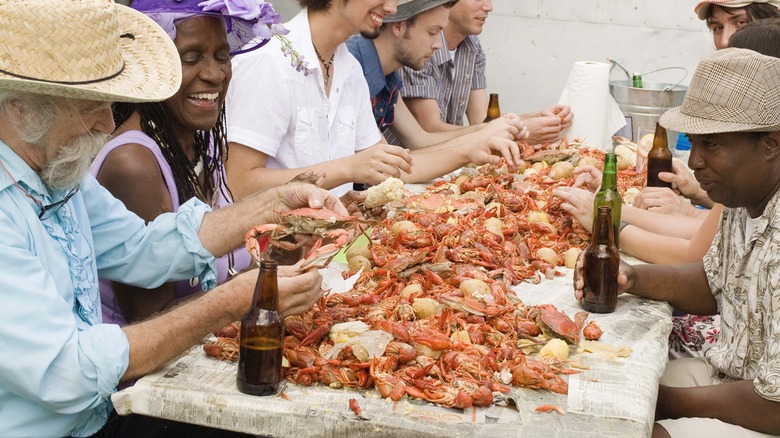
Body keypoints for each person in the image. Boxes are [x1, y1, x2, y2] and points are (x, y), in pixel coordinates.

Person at [0, 1, 342, 436]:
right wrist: (232, 301)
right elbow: (67, 371)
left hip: (98, 416)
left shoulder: (58, 172)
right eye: (90, 105)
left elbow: (142, 249)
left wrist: (277, 202)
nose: (109, 122)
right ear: (21, 109)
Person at [574, 47, 780, 437]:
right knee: (595, 376)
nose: (695, 161)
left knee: (629, 427)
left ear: (771, 144)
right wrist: (630, 277)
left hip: (768, 413)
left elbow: (774, 405)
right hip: (733, 377)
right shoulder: (744, 197)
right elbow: (715, 282)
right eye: (694, 143)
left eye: (713, 145)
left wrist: (656, 399)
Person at [88, 0, 274, 325]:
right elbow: (151, 320)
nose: (214, 74)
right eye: (191, 58)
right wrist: (250, 291)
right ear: (151, 67)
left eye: (221, 56)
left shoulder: (202, 146)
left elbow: (232, 267)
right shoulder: (133, 164)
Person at [224, 0, 526, 200]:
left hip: (328, 250)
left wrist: (474, 148)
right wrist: (346, 169)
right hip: (267, 263)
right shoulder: (268, 60)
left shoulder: (348, 67)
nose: (392, 6)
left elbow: (397, 164)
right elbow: (238, 184)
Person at [634, 0, 780, 216]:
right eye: (716, 28)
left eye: (741, 22)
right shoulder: (745, 190)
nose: (725, 40)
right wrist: (697, 191)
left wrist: (610, 216)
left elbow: (695, 246)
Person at [346, 0, 530, 152]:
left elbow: (419, 139)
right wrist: (477, 141)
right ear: (399, 25)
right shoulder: (351, 67)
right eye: (432, 32)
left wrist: (484, 131)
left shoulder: (389, 75)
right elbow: (388, 163)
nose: (438, 45)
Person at [399, 0, 572, 143]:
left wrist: (535, 118)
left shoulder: (471, 44)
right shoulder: (419, 47)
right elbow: (430, 129)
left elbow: (481, 118)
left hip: (448, 160)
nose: (489, 7)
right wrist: (519, 131)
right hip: (406, 169)